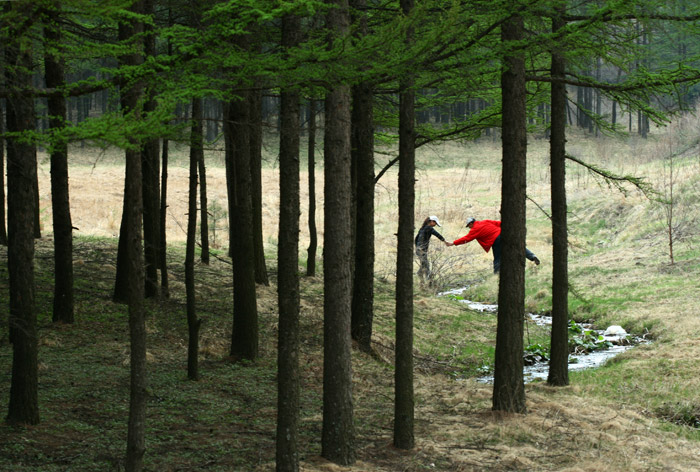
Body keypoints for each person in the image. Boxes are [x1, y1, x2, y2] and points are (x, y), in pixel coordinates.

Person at [447, 217, 540, 274]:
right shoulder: (485, 221)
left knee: (498, 258)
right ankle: (532, 256)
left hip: (496, 241)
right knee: (519, 248)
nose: (469, 227)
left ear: (471, 223)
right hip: (504, 234)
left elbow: (466, 238)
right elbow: (500, 223)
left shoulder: (474, 229)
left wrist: (454, 243)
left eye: (469, 226)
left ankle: (497, 275)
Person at [415, 215, 449, 283]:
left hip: (419, 249)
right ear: (431, 221)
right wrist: (445, 241)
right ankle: (429, 280)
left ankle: (422, 278)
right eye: (435, 223)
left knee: (424, 264)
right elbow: (437, 234)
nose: (435, 225)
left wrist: (417, 247)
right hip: (422, 250)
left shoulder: (422, 228)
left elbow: (416, 239)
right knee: (426, 265)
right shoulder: (429, 228)